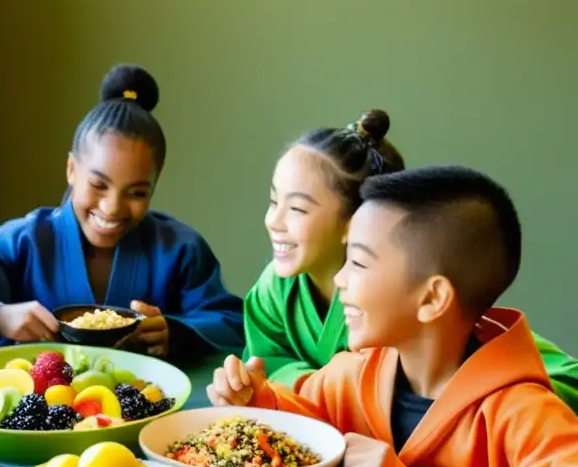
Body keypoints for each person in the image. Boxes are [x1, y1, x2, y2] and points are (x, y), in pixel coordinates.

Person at [209, 165, 578, 467]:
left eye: (359, 264)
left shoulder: (521, 410)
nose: (341, 278)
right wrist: (260, 402)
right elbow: (311, 423)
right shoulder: (354, 373)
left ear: (432, 298)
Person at [245, 110, 578, 410]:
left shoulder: (399, 299)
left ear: (354, 222)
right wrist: (315, 390)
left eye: (298, 209)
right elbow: (265, 362)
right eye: (274, 201)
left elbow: (557, 376)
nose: (274, 220)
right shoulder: (276, 286)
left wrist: (504, 408)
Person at [0, 64, 245, 361]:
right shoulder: (25, 240)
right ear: (71, 169)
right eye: (98, 184)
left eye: (136, 193)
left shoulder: (180, 249)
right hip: (41, 410)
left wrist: (172, 331)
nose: (112, 207)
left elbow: (229, 320)